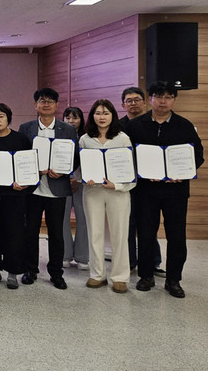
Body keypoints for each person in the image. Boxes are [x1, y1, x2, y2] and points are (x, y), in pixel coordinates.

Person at [125, 81, 204, 298]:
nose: (163, 101)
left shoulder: (185, 125)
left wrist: (183, 173)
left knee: (176, 236)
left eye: (168, 97)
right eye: (159, 96)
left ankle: (173, 280)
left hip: (176, 191)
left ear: (174, 100)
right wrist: (140, 171)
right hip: (145, 190)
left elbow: (197, 155)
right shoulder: (135, 126)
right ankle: (146, 276)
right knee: (146, 234)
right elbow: (126, 156)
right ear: (150, 99)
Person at [18, 87, 78, 290]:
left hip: (57, 188)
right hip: (32, 189)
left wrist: (64, 171)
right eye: (42, 101)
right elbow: (21, 155)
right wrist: (33, 169)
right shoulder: (26, 127)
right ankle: (30, 269)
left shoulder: (67, 129)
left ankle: (56, 273)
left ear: (57, 105)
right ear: (35, 105)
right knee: (30, 231)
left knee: (57, 233)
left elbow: (75, 157)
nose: (46, 104)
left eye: (50, 101)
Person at [79, 99, 135, 293]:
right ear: (92, 116)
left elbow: (130, 170)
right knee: (94, 233)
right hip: (92, 191)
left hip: (117, 192)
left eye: (106, 113)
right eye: (98, 113)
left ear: (113, 116)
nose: (101, 117)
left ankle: (120, 277)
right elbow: (79, 167)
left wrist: (117, 185)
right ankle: (97, 275)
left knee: (119, 234)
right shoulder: (85, 139)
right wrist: (84, 178)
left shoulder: (123, 138)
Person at [0, 102, 33, 289]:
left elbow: (29, 165)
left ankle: (13, 272)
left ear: (8, 119)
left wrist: (24, 183)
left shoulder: (21, 139)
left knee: (15, 233)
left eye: (1, 116)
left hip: (15, 195)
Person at [119, 86, 164, 275]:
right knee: (127, 223)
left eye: (137, 99)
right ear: (123, 105)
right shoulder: (117, 126)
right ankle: (129, 261)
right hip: (125, 181)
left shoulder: (153, 123)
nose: (133, 103)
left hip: (148, 182)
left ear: (144, 102)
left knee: (148, 223)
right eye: (129, 100)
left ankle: (153, 262)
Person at [62, 106, 88, 270]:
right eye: (68, 118)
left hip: (83, 184)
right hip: (62, 183)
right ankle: (65, 255)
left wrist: (77, 179)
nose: (71, 121)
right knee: (62, 220)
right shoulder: (60, 137)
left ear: (81, 120)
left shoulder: (86, 138)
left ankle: (82, 257)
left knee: (83, 220)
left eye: (75, 118)